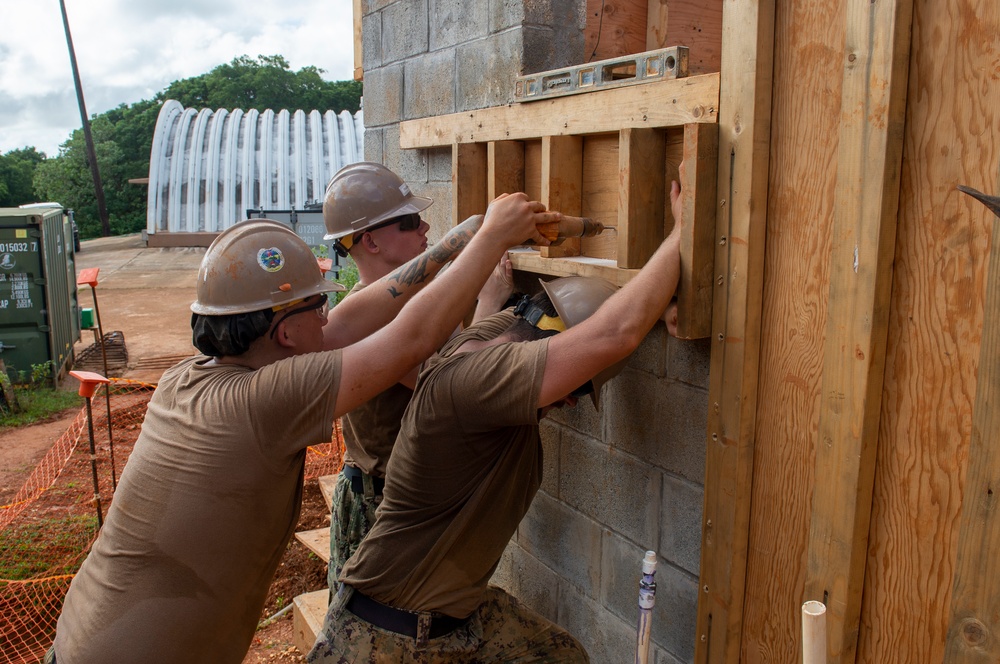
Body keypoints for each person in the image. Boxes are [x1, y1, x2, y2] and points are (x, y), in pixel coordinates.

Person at [48, 191, 556, 664]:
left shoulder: (189, 377)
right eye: (318, 305)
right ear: (286, 333)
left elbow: (351, 319)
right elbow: (412, 337)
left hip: (84, 638)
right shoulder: (268, 400)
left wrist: (453, 244)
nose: (328, 314)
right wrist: (491, 242)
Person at [308, 178, 686, 663]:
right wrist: (680, 231)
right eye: (570, 389)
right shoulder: (463, 378)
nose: (566, 404)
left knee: (560, 655)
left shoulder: (489, 335)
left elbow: (562, 328)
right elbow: (608, 336)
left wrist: (662, 310)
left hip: (450, 612)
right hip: (391, 635)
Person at [321, 163, 514, 588]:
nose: (425, 225)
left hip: (406, 492)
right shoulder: (368, 324)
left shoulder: (417, 303)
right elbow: (450, 386)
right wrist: (489, 304)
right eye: (409, 222)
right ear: (369, 240)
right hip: (380, 503)